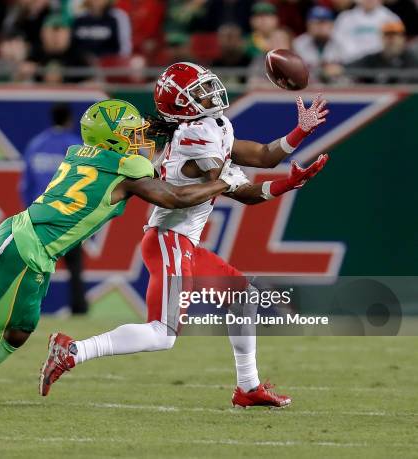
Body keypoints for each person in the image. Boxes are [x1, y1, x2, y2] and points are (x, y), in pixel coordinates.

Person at [0, 99, 249, 405]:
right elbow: (177, 197)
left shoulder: (81, 152)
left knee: (18, 333)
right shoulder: (127, 168)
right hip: (26, 249)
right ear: (114, 141)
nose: (139, 141)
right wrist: (224, 182)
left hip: (32, 246)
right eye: (130, 135)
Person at [40, 63, 329, 408]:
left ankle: (248, 388)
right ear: (182, 105)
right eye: (200, 91)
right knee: (163, 334)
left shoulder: (212, 125)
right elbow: (240, 188)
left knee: (243, 298)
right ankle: (72, 351)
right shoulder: (196, 134)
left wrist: (298, 139)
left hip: (182, 241)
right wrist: (266, 181)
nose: (211, 93)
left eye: (208, 86)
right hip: (170, 239)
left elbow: (262, 160)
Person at [20, 103, 89, 315]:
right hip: (69, 216)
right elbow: (86, 182)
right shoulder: (76, 147)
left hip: (40, 214)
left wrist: (29, 213)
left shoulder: (36, 145)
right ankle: (79, 308)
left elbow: (25, 184)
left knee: (35, 267)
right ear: (69, 120)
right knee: (75, 266)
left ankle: (26, 310)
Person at [22, 14, 90, 84]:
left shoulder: (78, 56)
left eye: (60, 31)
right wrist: (23, 74)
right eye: (51, 31)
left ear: (69, 34)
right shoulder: (35, 54)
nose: (56, 36)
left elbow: (91, 81)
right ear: (42, 33)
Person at [329, 0, 400, 64]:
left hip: (380, 65)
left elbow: (396, 44)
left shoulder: (391, 18)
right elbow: (336, 43)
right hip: (350, 65)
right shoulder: (344, 18)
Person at [347, 21, 418, 84]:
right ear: (382, 38)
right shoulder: (374, 58)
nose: (391, 40)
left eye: (395, 35)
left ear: (402, 38)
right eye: (387, 36)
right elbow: (349, 67)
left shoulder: (411, 58)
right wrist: (340, 68)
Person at [293, 6, 337, 74]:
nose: (320, 27)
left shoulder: (341, 42)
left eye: (323, 22)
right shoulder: (299, 43)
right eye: (316, 23)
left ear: (332, 25)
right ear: (308, 25)